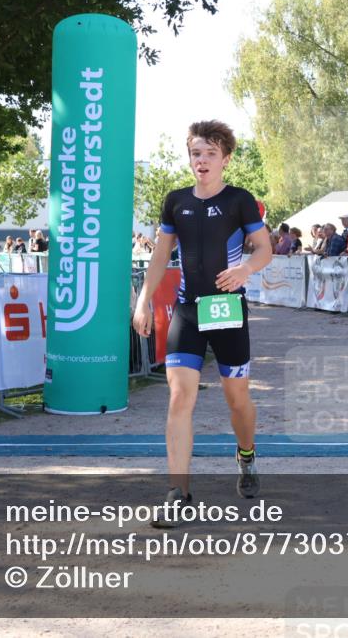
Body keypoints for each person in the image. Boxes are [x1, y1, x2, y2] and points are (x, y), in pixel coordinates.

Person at [132, 120, 273, 525]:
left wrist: (245, 270)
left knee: (237, 401)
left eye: (211, 153)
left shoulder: (239, 200)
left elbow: (265, 249)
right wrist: (143, 302)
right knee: (179, 399)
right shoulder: (176, 201)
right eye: (196, 153)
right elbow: (160, 257)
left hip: (227, 310)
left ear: (225, 159)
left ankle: (246, 456)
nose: (202, 160)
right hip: (188, 311)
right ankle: (178, 491)